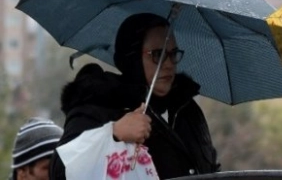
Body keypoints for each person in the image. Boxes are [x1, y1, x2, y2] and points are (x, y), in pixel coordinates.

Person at [50, 13, 219, 179]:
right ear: (132, 59)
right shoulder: (99, 106)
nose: (168, 65)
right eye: (158, 55)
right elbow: (60, 171)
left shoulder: (187, 109)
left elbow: (210, 168)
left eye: (173, 54)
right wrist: (114, 134)